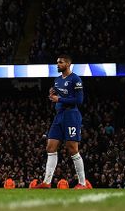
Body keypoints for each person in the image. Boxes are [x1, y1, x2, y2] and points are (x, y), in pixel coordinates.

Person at [34, 54, 89, 189]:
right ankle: (47, 182)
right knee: (50, 147)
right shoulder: (57, 80)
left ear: (68, 64)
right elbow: (58, 97)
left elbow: (79, 101)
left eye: (61, 62)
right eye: (57, 62)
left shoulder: (75, 79)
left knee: (72, 149)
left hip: (71, 115)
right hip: (59, 116)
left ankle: (82, 183)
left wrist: (59, 100)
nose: (57, 64)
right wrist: (52, 96)